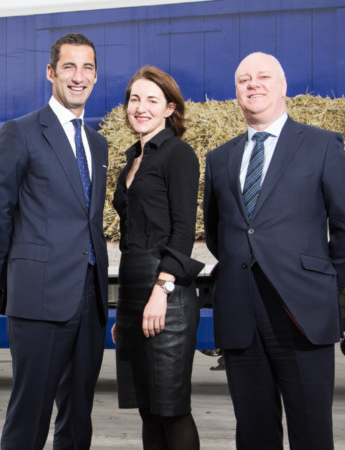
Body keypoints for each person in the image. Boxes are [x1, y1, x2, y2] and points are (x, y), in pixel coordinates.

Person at [204, 52, 345, 450]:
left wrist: (331, 289)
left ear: (283, 86)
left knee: (312, 433)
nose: (253, 84)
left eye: (263, 76)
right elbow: (220, 233)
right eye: (244, 79)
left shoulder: (321, 146)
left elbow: (344, 226)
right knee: (254, 433)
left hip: (302, 312)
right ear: (236, 93)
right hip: (241, 316)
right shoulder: (219, 159)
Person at [0, 33, 109, 449]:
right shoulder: (20, 133)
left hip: (89, 298)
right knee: (29, 415)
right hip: (38, 298)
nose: (78, 76)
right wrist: (16, 276)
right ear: (51, 72)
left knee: (77, 417)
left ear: (95, 75)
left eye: (87, 67)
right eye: (69, 66)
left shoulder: (97, 143)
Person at [111, 66, 203, 450]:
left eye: (152, 100)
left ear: (169, 109)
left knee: (171, 408)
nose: (141, 108)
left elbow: (183, 231)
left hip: (167, 295)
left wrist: (161, 290)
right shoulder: (131, 159)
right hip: (135, 293)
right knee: (147, 407)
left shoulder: (178, 155)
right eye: (135, 99)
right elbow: (131, 239)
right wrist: (124, 311)